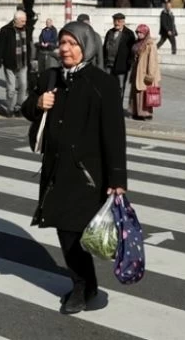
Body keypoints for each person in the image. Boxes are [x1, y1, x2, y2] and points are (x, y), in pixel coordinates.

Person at [22, 21, 127, 314]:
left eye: (72, 44)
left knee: (77, 233)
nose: (65, 49)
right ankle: (85, 282)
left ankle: (81, 287)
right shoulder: (51, 77)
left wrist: (117, 178)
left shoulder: (102, 83)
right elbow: (26, 109)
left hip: (88, 174)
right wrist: (38, 102)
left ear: (86, 47)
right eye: (62, 43)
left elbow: (115, 136)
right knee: (66, 233)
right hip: (56, 171)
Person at [0, 10, 31, 117]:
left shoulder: (26, 29)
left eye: (25, 21)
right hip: (10, 64)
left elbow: (28, 46)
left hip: (23, 63)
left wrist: (30, 60)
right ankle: (9, 109)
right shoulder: (6, 30)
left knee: (23, 86)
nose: (24, 23)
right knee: (11, 88)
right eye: (23, 21)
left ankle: (18, 107)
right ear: (16, 20)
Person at [128, 24, 161, 121]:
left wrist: (150, 74)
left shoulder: (150, 44)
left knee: (145, 93)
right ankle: (136, 112)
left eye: (141, 32)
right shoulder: (137, 42)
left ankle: (145, 113)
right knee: (136, 92)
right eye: (137, 32)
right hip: (136, 71)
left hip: (145, 72)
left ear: (146, 33)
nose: (139, 34)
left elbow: (152, 61)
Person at [102, 13, 136, 99]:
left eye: (119, 21)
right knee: (107, 86)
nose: (116, 23)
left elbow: (132, 51)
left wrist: (129, 64)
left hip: (121, 66)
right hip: (108, 65)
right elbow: (104, 47)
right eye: (115, 21)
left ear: (123, 22)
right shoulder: (110, 32)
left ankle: (118, 107)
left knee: (120, 87)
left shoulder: (129, 34)